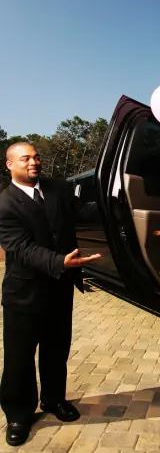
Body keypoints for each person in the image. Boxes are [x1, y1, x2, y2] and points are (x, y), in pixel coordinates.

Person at [0, 142, 101, 447]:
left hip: (59, 291)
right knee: (19, 358)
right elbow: (20, 248)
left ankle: (54, 400)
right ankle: (18, 414)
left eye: (36, 156)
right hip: (24, 294)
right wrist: (60, 262)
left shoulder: (59, 188)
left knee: (56, 351)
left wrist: (114, 199)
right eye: (25, 158)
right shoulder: (4, 204)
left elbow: (82, 212)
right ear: (10, 165)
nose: (34, 162)